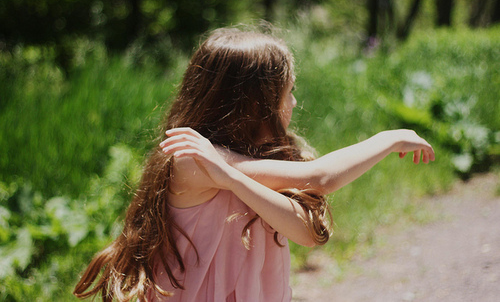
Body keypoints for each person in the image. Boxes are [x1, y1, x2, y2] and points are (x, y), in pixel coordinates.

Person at [74, 28, 435, 302]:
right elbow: (320, 178)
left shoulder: (257, 162)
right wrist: (388, 139)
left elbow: (309, 234)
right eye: (287, 92)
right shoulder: (190, 159)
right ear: (254, 104)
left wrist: (232, 179)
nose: (294, 101)